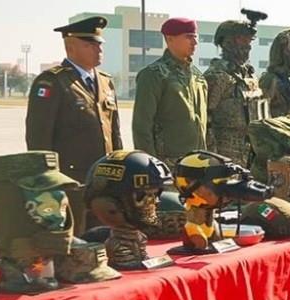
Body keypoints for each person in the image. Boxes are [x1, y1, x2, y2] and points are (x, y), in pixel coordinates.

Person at [25, 16, 123, 232]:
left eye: (99, 44)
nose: (98, 49)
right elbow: (38, 137)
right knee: (74, 240)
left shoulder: (106, 82)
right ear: (70, 47)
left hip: (104, 181)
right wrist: (48, 183)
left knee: (104, 238)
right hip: (70, 181)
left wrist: (119, 170)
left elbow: (114, 133)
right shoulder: (52, 82)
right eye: (90, 44)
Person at [132, 17, 208, 165]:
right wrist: (149, 165)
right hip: (168, 163)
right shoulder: (154, 75)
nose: (195, 42)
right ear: (170, 39)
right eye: (188, 37)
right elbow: (142, 127)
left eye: (195, 37)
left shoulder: (198, 77)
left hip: (198, 161)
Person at [203, 19, 264, 167]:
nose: (248, 46)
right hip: (224, 156)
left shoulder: (250, 76)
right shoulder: (217, 76)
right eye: (241, 39)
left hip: (251, 154)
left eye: (249, 40)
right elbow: (205, 122)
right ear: (226, 42)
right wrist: (213, 160)